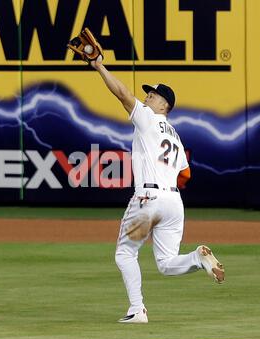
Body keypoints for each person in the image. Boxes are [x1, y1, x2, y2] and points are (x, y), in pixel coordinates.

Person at [90, 56, 225, 324]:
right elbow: (185, 173)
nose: (147, 98)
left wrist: (98, 66)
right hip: (174, 202)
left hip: (148, 199)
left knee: (125, 253)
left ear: (164, 104)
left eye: (152, 95)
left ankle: (137, 310)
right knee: (166, 263)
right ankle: (197, 258)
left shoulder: (149, 118)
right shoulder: (175, 135)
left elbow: (122, 93)